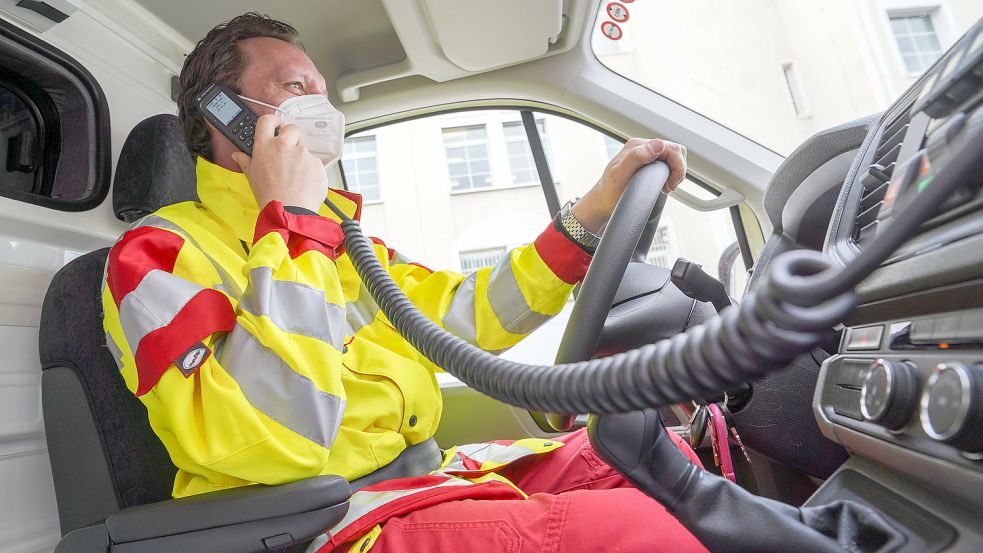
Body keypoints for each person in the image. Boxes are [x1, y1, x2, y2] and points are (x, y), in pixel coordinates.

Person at [101, 12, 706, 553]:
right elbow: (275, 434)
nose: (324, 108)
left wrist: (589, 215)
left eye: (324, 92)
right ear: (224, 117)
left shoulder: (341, 240)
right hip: (323, 523)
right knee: (646, 535)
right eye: (294, 88)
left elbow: (467, 316)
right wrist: (293, 229)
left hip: (417, 479)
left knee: (656, 457)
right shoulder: (156, 256)